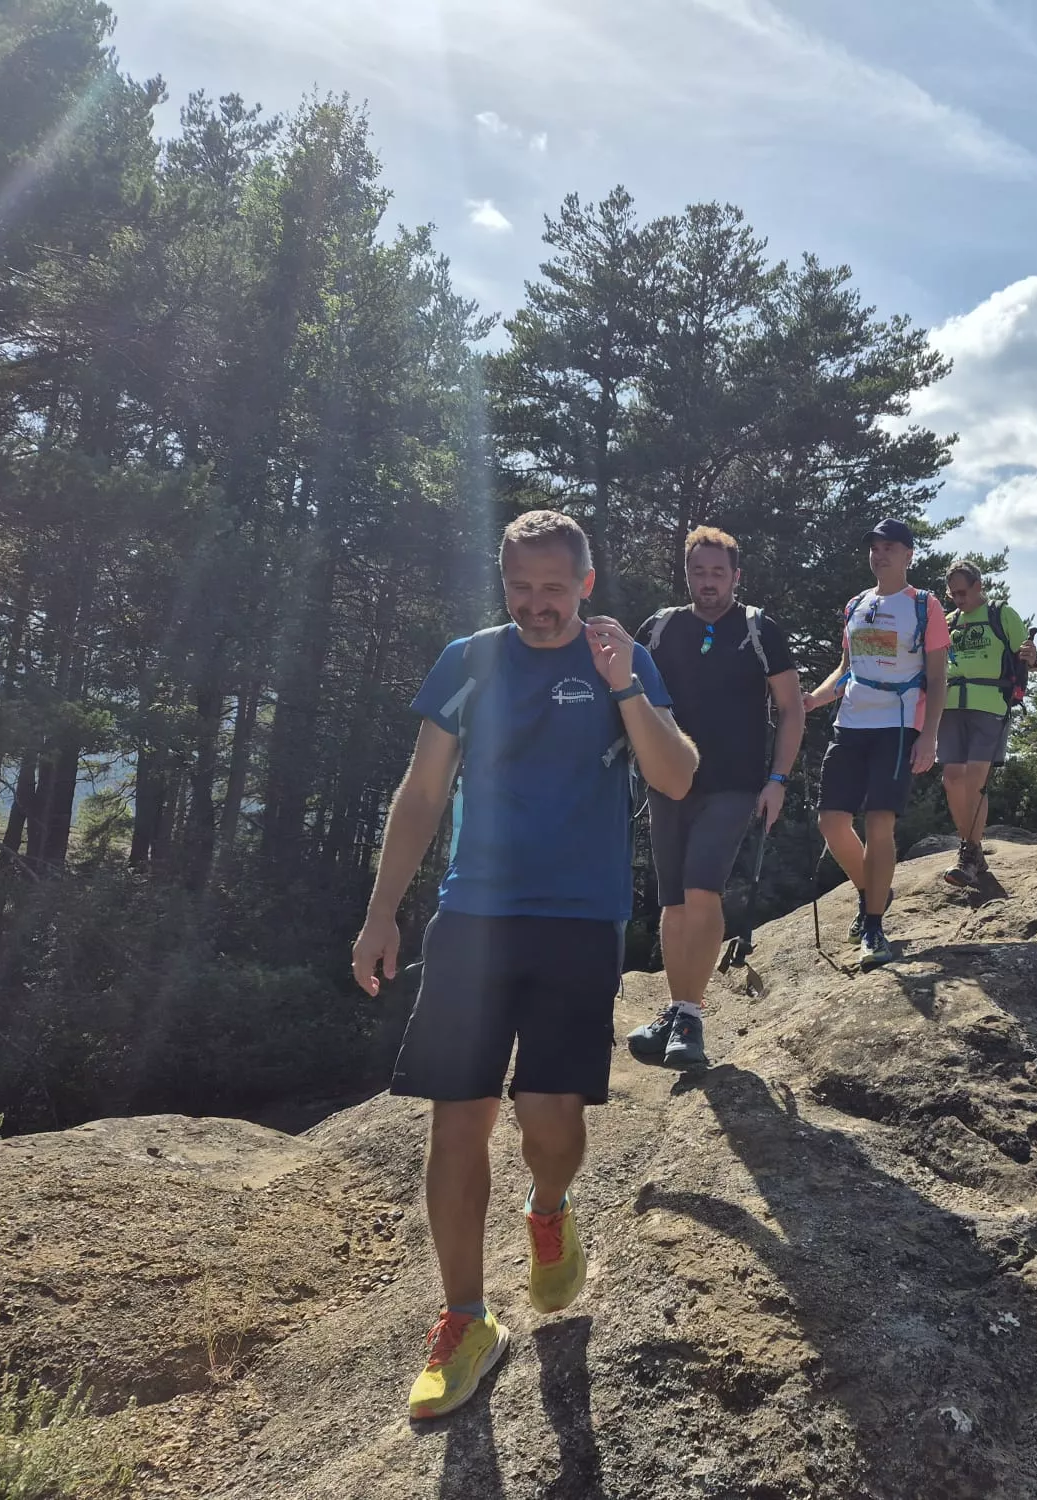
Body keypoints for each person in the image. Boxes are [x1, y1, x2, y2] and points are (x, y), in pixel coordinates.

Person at [350, 510, 698, 1422]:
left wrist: (625, 685)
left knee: (548, 1121)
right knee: (455, 1124)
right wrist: (383, 912)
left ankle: (550, 1206)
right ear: (501, 586)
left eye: (555, 588)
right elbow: (423, 791)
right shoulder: (470, 659)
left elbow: (675, 775)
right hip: (472, 915)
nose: (538, 607)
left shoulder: (617, 655)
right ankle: (465, 1318)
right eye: (521, 589)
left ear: (585, 584)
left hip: (580, 920)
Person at [625, 526, 803, 1070]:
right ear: (686, 573)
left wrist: (778, 781)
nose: (708, 582)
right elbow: (624, 697)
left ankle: (692, 1019)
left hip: (733, 783)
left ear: (735, 576)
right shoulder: (658, 628)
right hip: (667, 783)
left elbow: (791, 708)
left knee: (702, 892)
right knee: (673, 902)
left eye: (718, 573)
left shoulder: (757, 629)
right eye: (698, 571)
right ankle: (676, 1010)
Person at [802, 517, 949, 970]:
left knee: (880, 824)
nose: (879, 554)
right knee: (831, 823)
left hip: (899, 725)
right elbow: (846, 669)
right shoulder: (856, 605)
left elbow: (939, 677)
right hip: (851, 724)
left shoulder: (924, 605)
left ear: (909, 554)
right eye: (875, 547)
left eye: (890, 547)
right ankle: (873, 891)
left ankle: (873, 924)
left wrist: (930, 736)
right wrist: (812, 700)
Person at [937, 561, 1037, 889]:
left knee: (974, 779)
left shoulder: (1001, 614)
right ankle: (974, 850)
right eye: (952, 594)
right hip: (951, 705)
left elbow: (1030, 660)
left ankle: (967, 855)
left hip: (990, 703)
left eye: (963, 592)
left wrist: (1033, 657)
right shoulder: (949, 622)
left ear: (979, 585)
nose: (958, 599)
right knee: (952, 778)